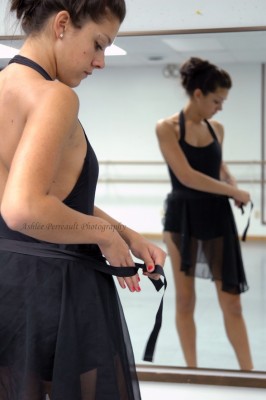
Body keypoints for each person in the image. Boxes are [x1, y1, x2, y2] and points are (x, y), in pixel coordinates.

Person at [0, 1, 166, 399]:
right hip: (57, 290)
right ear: (61, 25)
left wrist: (124, 233)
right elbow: (22, 208)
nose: (100, 61)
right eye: (98, 44)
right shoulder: (54, 96)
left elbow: (52, 196)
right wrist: (104, 237)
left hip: (9, 283)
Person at [156, 57, 253, 370]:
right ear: (198, 94)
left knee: (232, 302)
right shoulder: (166, 128)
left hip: (216, 217)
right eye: (217, 100)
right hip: (181, 218)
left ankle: (250, 373)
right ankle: (193, 372)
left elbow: (218, 169)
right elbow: (186, 176)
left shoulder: (217, 129)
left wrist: (232, 183)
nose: (220, 107)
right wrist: (233, 192)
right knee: (185, 300)